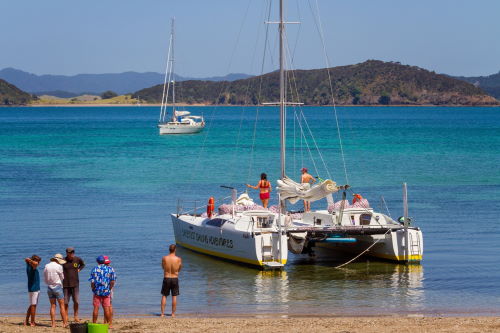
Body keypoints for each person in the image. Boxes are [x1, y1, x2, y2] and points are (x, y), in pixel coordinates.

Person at [89, 255, 116, 328]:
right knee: (106, 308)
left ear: (97, 261)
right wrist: (109, 288)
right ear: (104, 261)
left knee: (96, 308)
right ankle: (109, 324)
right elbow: (113, 281)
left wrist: (93, 289)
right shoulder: (109, 269)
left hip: (97, 291)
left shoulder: (94, 269)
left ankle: (94, 323)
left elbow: (92, 282)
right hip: (106, 291)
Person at [43, 253, 68, 328]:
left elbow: (45, 277)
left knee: (52, 306)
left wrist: (48, 283)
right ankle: (64, 323)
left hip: (49, 287)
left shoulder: (47, 266)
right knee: (62, 306)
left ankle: (53, 324)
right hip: (57, 287)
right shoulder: (59, 266)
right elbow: (62, 277)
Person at [62, 247, 85, 322]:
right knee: (65, 302)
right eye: (70, 252)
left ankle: (76, 316)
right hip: (65, 284)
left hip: (75, 284)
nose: (71, 253)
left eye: (72, 252)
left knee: (76, 301)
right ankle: (66, 316)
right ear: (67, 253)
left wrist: (79, 269)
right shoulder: (63, 260)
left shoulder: (77, 259)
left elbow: (83, 265)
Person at [161, 244, 182, 318]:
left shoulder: (164, 258)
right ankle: (173, 314)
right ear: (175, 250)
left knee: (164, 295)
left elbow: (163, 267)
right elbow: (179, 269)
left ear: (169, 250)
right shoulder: (178, 259)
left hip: (166, 278)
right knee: (174, 296)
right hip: (174, 278)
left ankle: (162, 314)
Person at [24, 255, 42, 327]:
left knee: (32, 305)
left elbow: (28, 260)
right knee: (33, 306)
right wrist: (31, 261)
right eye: (38, 261)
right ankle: (32, 322)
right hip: (34, 289)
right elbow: (35, 264)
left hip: (33, 288)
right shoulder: (32, 266)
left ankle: (26, 321)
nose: (39, 263)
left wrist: (29, 260)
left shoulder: (29, 266)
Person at [103, 256, 113, 323]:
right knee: (109, 305)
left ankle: (106, 322)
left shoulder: (102, 269)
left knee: (106, 306)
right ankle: (110, 322)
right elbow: (113, 281)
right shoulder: (111, 269)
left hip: (104, 289)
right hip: (110, 288)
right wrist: (111, 288)